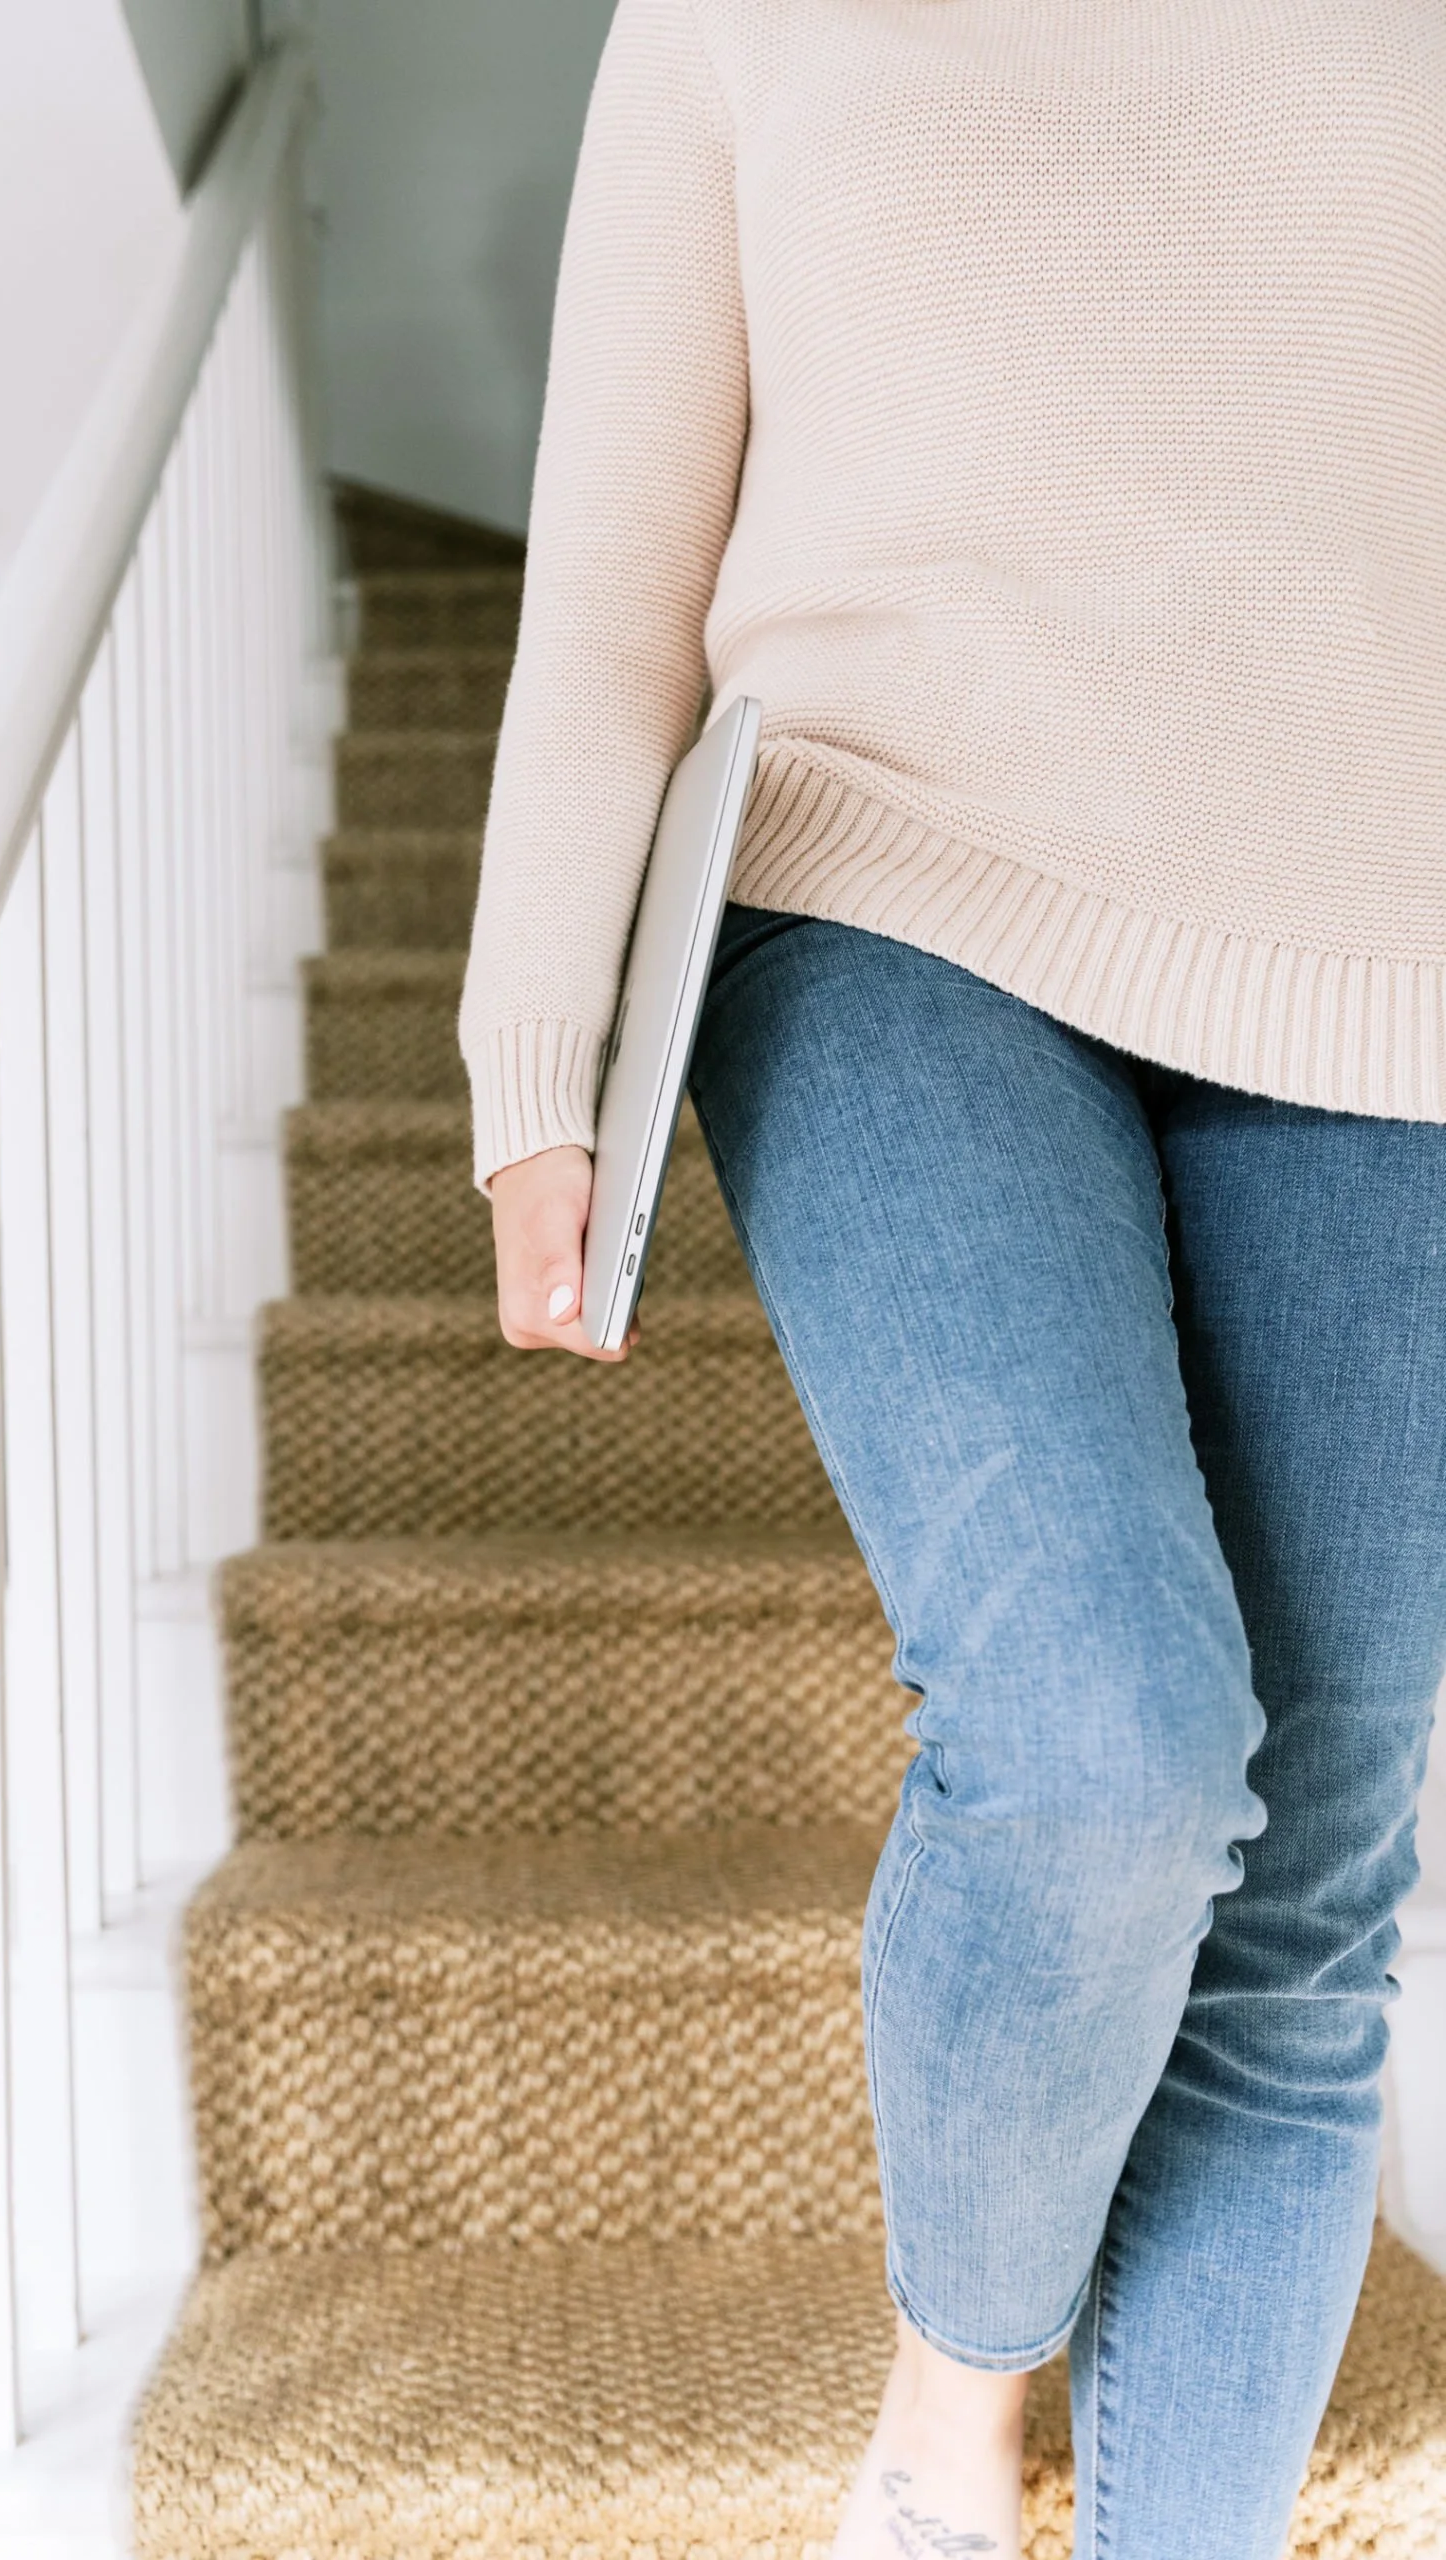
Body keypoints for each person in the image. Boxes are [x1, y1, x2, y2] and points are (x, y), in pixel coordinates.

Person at [455, 3, 1446, 2553]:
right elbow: (607, 597)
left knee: (1309, 1885)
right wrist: (528, 1054)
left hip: (1385, 952)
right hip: (885, 871)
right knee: (1104, 1737)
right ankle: (944, 2423)